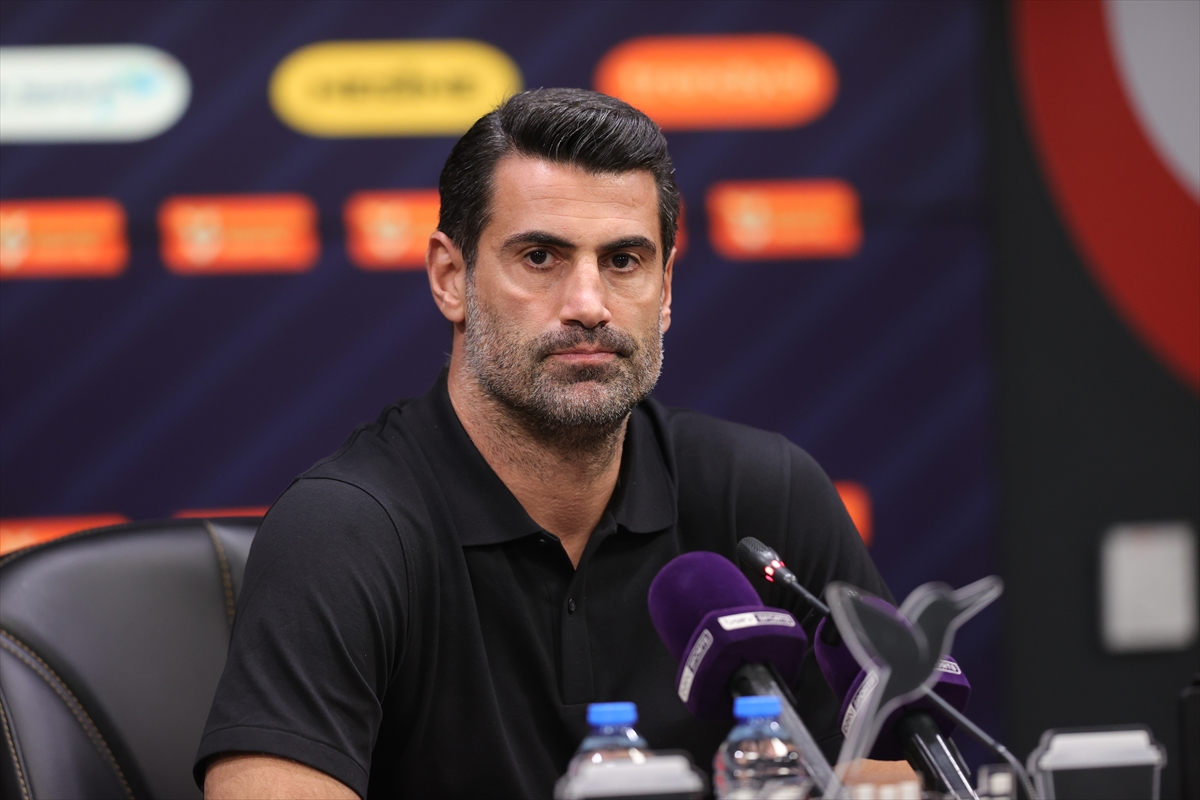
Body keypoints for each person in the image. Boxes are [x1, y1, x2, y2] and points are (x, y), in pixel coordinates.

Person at [197, 88, 904, 799]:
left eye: (623, 261)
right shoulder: (344, 529)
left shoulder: (765, 497)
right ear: (451, 278)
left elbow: (901, 769)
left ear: (664, 289)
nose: (589, 306)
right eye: (540, 257)